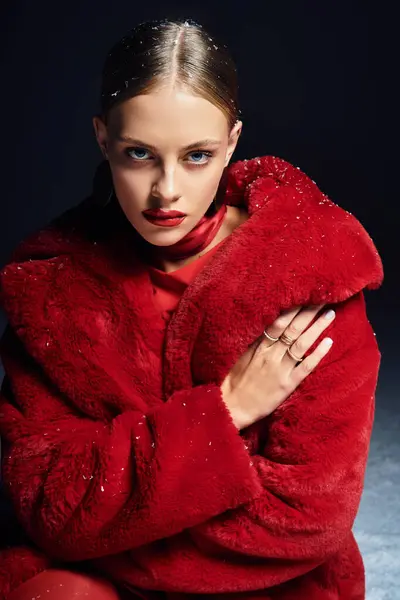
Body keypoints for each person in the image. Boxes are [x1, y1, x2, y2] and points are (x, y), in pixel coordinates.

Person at [0, 17, 383, 600]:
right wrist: (226, 410)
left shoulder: (308, 272)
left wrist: (116, 522)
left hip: (269, 586)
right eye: (139, 155)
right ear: (103, 139)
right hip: (100, 583)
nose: (167, 191)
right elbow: (52, 503)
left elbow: (307, 520)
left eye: (198, 156)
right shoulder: (50, 290)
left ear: (231, 142)